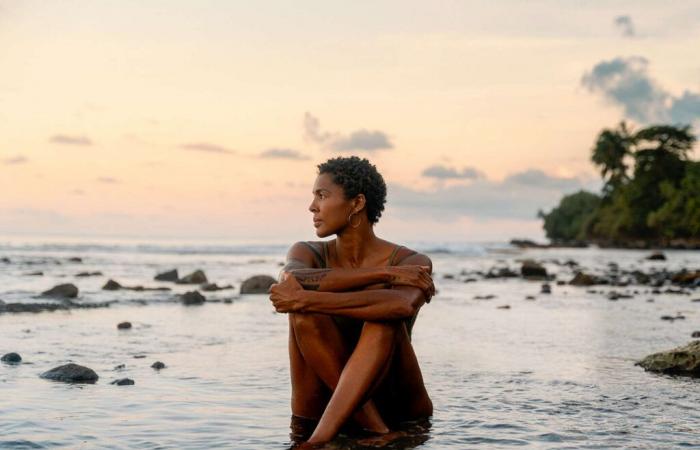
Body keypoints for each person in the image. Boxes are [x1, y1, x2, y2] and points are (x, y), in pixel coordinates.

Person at [269, 156, 435, 446]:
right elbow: (291, 280)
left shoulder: (411, 262)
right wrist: (385, 274)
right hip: (319, 409)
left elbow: (400, 306)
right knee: (304, 315)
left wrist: (305, 299)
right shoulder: (307, 252)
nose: (312, 207)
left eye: (322, 195)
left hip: (397, 408)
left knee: (382, 320)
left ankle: (319, 442)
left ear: (357, 203)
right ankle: (374, 430)